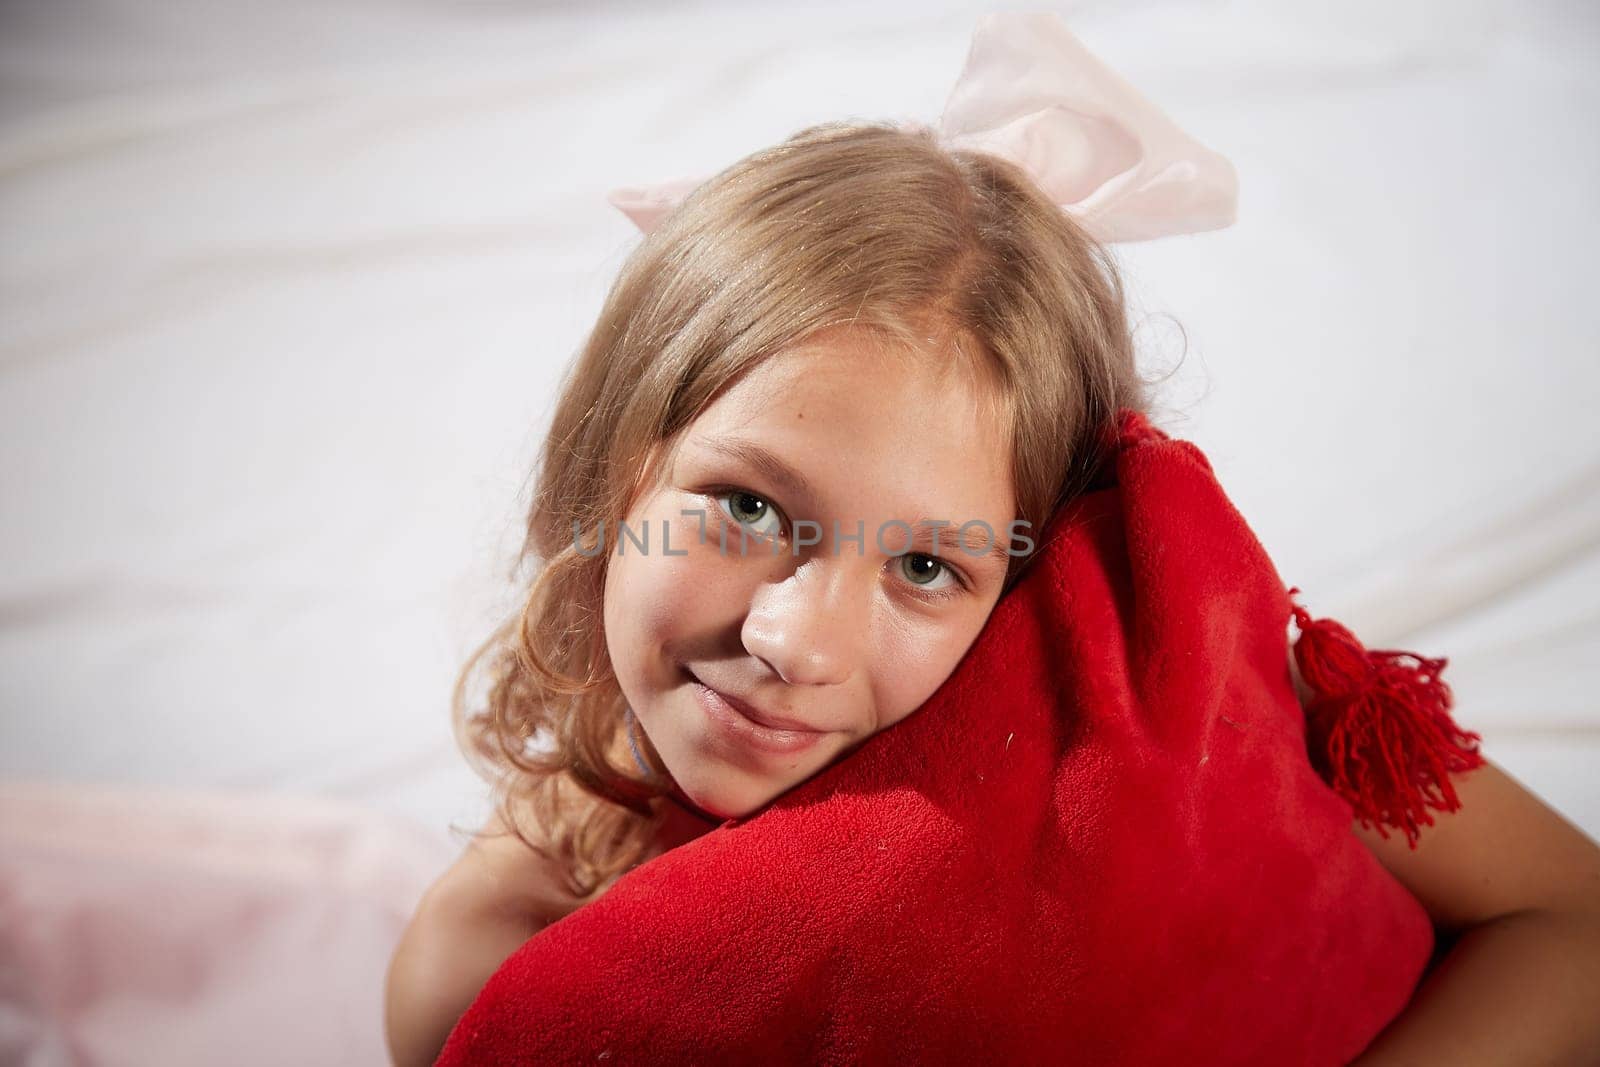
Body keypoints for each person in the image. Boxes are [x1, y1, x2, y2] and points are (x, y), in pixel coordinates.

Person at [385, 30, 1600, 1067]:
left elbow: (1575, 919)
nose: (794, 640)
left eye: (926, 567)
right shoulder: (492, 960)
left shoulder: (1167, 699)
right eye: (747, 508)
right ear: (618, 461)